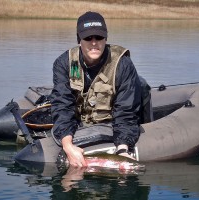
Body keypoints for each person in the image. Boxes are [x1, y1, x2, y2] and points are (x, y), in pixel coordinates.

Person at [50, 11, 142, 167]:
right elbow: (62, 105)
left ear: (105, 38)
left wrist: (122, 150)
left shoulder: (123, 64)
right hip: (78, 124)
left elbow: (126, 112)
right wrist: (67, 145)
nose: (94, 43)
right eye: (88, 38)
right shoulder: (64, 63)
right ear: (79, 40)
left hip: (110, 124)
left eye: (99, 37)